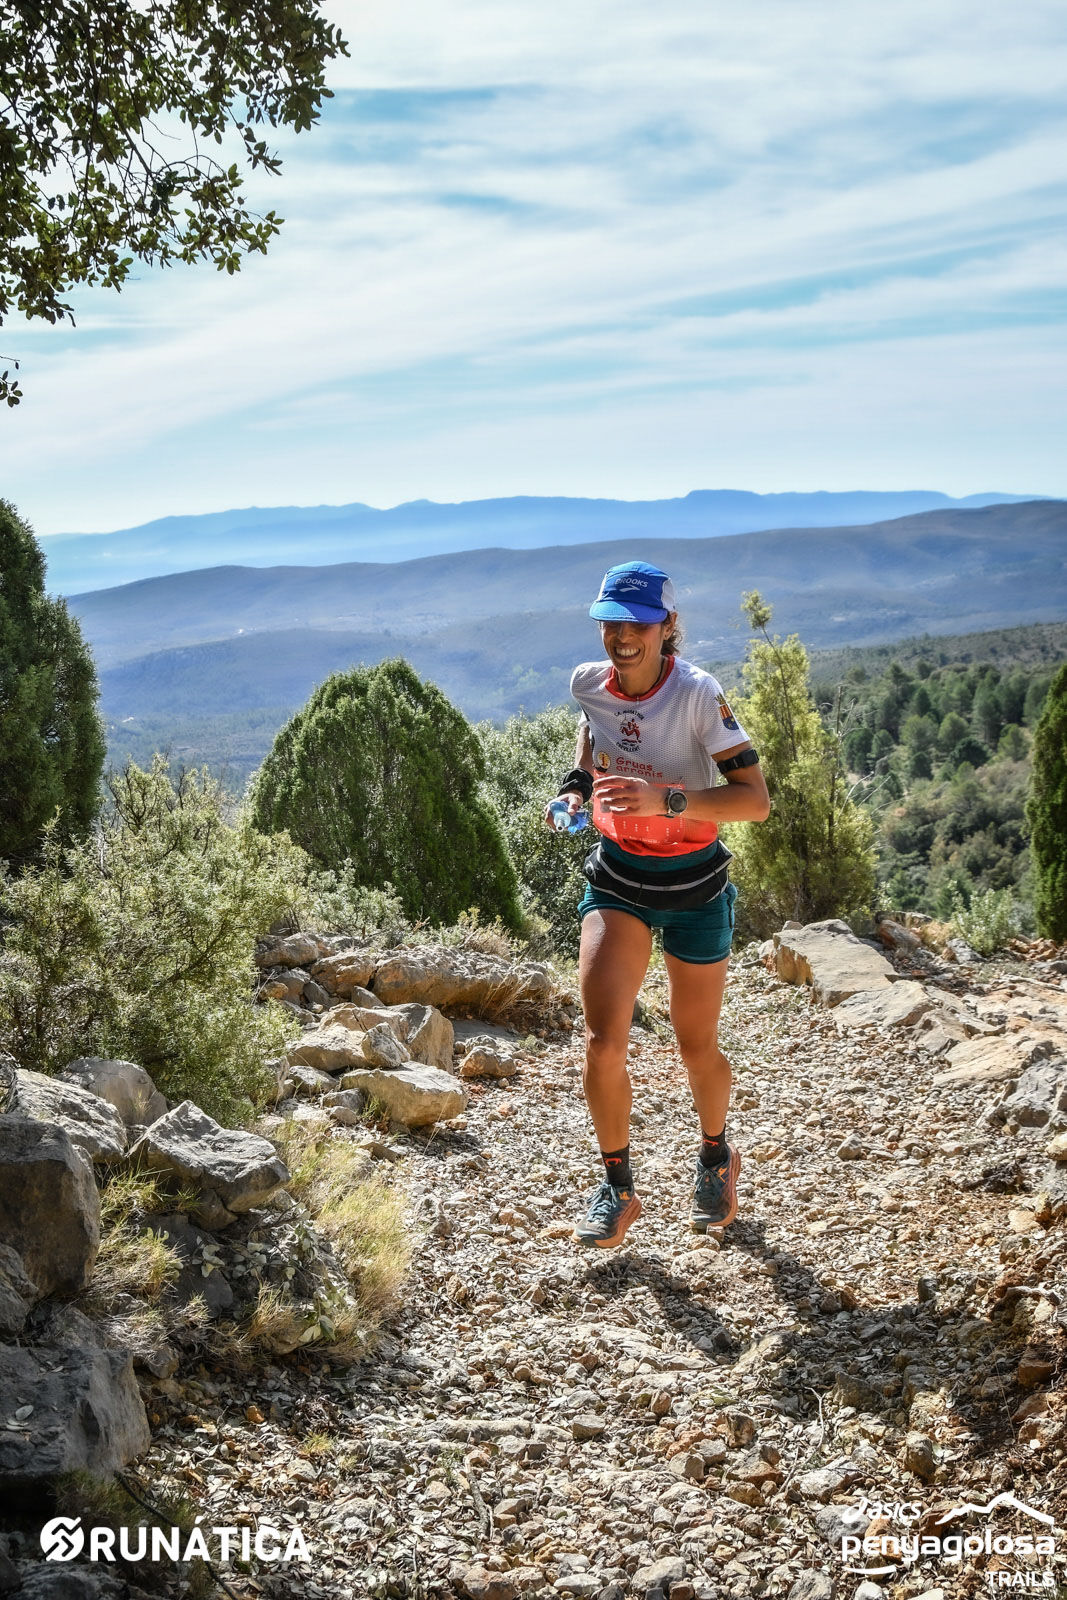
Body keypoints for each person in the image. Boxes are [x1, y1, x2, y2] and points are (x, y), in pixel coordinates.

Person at [544, 560, 770, 1248]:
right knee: (602, 1040)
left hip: (695, 885)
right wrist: (576, 789)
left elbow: (754, 801)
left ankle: (716, 1157)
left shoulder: (698, 694)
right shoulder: (587, 683)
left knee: (694, 1045)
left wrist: (665, 801)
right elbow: (594, 738)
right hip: (618, 879)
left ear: (667, 626)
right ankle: (616, 1187)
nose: (623, 636)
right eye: (611, 622)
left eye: (638, 624)